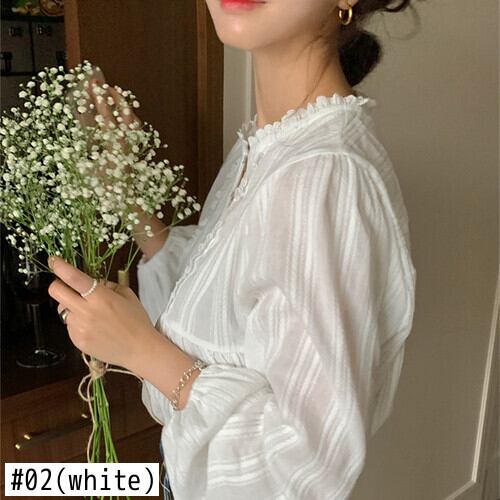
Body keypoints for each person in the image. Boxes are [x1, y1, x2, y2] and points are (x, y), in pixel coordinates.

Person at [47, 0, 418, 498]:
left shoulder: (321, 177)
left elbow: (307, 465)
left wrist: (139, 349)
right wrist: (128, 196)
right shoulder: (269, 143)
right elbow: (222, 312)